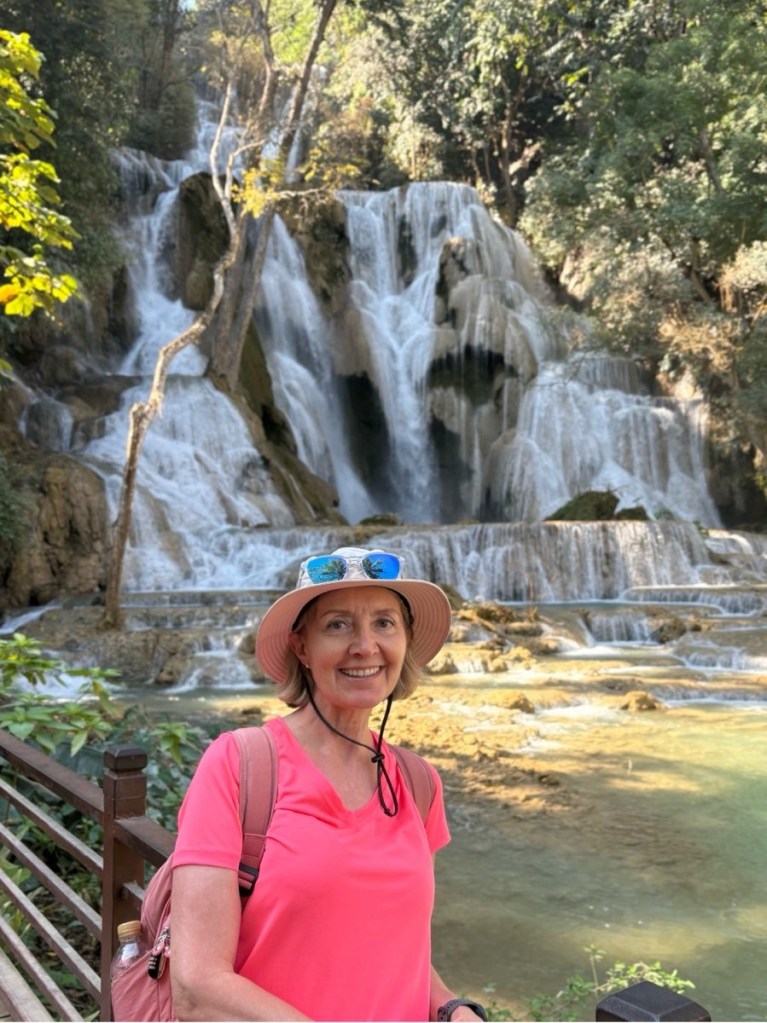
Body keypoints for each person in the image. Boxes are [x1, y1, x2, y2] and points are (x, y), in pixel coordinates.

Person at [169, 546, 487, 1023]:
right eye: (337, 625)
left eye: (384, 623)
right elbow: (196, 987)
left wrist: (451, 1008)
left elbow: (400, 953)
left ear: (405, 640)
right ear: (302, 647)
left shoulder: (419, 783)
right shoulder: (238, 765)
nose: (365, 646)